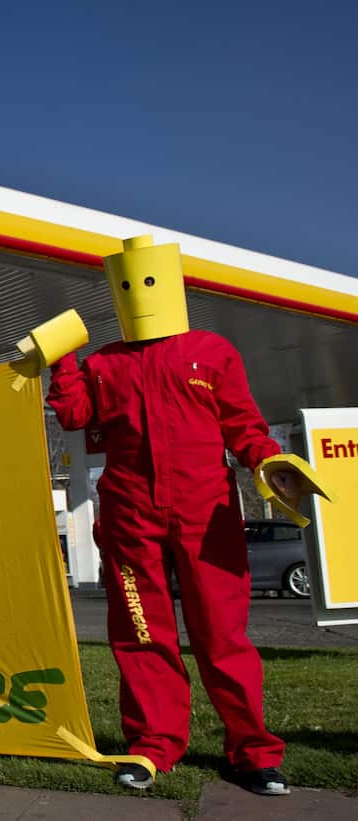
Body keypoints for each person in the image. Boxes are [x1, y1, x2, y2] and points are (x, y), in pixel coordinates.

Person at [43, 235, 315, 796]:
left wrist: (270, 461)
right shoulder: (105, 364)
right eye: (126, 284)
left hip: (205, 512)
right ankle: (152, 746)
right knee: (142, 634)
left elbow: (243, 425)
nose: (136, 293)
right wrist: (63, 357)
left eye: (144, 281)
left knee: (222, 637)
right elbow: (73, 413)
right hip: (130, 516)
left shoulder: (212, 353)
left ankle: (254, 753)